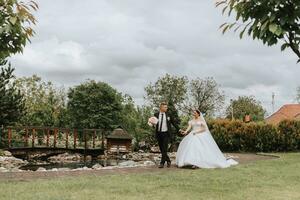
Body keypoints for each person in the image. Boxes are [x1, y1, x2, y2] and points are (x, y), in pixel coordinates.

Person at [149, 102, 179, 168]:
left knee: (165, 149)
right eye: (165, 107)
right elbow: (153, 124)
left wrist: (179, 129)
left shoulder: (169, 115)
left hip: (166, 133)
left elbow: (174, 123)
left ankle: (162, 163)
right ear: (161, 107)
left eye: (166, 107)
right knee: (162, 149)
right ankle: (168, 160)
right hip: (159, 133)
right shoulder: (156, 114)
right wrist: (152, 124)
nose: (166, 108)